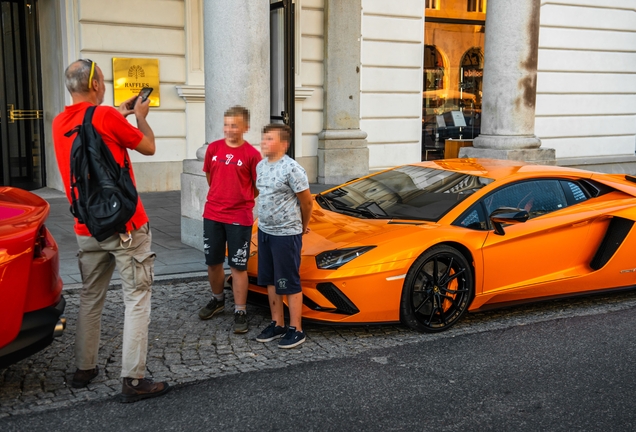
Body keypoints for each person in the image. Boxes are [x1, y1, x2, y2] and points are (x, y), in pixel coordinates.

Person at [52, 59, 169, 403]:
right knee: (136, 298)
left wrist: (121, 113)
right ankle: (133, 379)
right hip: (125, 226)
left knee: (90, 296)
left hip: (85, 225)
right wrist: (142, 117)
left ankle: (84, 368)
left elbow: (95, 124)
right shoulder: (106, 118)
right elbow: (148, 147)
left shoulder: (60, 122)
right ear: (97, 83)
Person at [199, 106, 262, 333]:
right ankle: (217, 300)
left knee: (238, 265)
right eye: (226, 124)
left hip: (239, 217)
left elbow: (257, 187)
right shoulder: (213, 148)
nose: (229, 129)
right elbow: (210, 176)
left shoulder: (252, 155)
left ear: (245, 127)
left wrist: (241, 200)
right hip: (213, 214)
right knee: (213, 262)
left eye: (234, 125)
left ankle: (240, 310)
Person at [254, 124, 313, 349]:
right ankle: (277, 323)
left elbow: (307, 202)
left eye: (269, 138)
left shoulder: (292, 168)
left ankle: (296, 328)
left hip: (286, 234)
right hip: (265, 231)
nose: (263, 142)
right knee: (270, 279)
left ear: (283, 144)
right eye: (263, 138)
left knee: (288, 281)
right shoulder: (261, 166)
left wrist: (301, 226)